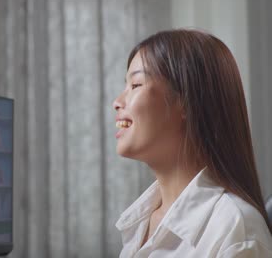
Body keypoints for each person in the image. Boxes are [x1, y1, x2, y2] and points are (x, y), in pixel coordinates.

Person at [113, 29, 272, 257]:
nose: (117, 102)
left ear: (187, 101)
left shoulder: (235, 230)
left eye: (136, 85)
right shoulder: (139, 224)